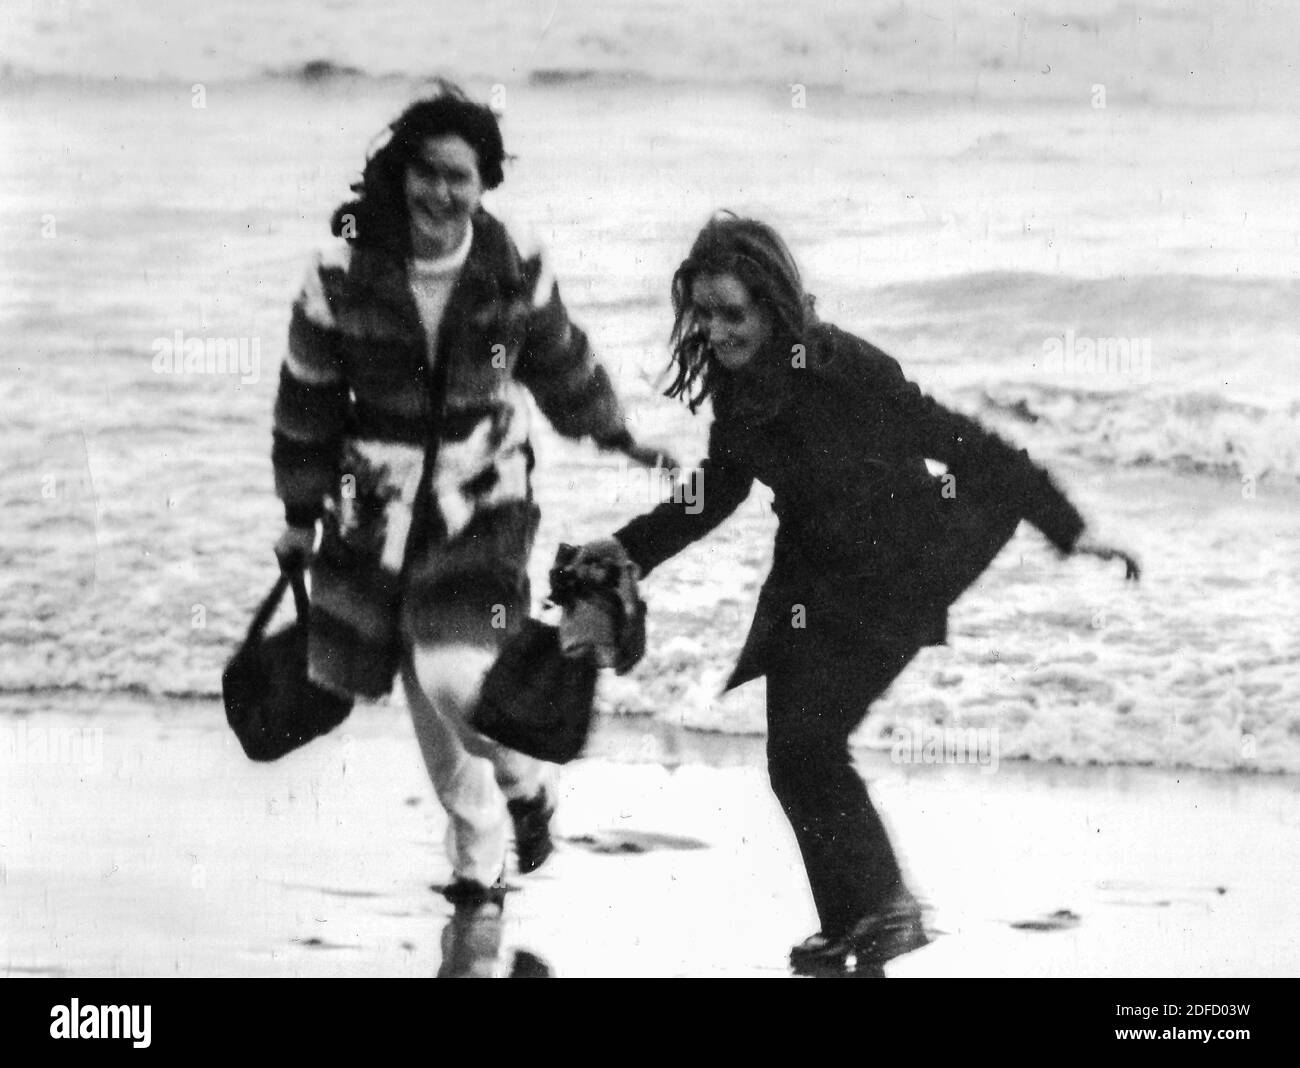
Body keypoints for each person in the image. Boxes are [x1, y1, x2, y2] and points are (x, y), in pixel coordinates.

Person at [576, 213, 1139, 973]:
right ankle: (854, 928)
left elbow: (959, 438)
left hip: (895, 573)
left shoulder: (844, 367)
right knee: (794, 758)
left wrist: (1070, 529)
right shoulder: (740, 392)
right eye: (703, 313)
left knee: (810, 748)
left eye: (732, 313)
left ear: (775, 306)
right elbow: (716, 493)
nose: (714, 330)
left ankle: (886, 910)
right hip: (813, 579)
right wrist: (629, 549)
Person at [270, 84, 673, 905]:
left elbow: (559, 360)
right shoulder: (340, 270)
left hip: (483, 491)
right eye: (427, 172)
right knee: (418, 675)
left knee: (453, 668)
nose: (441, 194)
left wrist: (618, 433)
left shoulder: (511, 260)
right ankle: (475, 853)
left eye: (461, 177)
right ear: (401, 172)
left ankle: (526, 785)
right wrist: (298, 514)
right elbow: (306, 398)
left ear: (485, 183)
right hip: (375, 503)